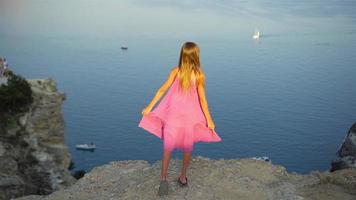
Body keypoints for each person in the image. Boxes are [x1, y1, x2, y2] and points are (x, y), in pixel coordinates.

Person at [138, 42, 222, 196]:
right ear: (196, 56)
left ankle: (163, 179)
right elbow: (203, 100)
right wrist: (210, 120)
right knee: (187, 147)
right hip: (189, 118)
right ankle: (183, 177)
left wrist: (149, 107)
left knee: (168, 147)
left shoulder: (175, 72)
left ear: (182, 55)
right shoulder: (199, 75)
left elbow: (162, 89)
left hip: (173, 117)